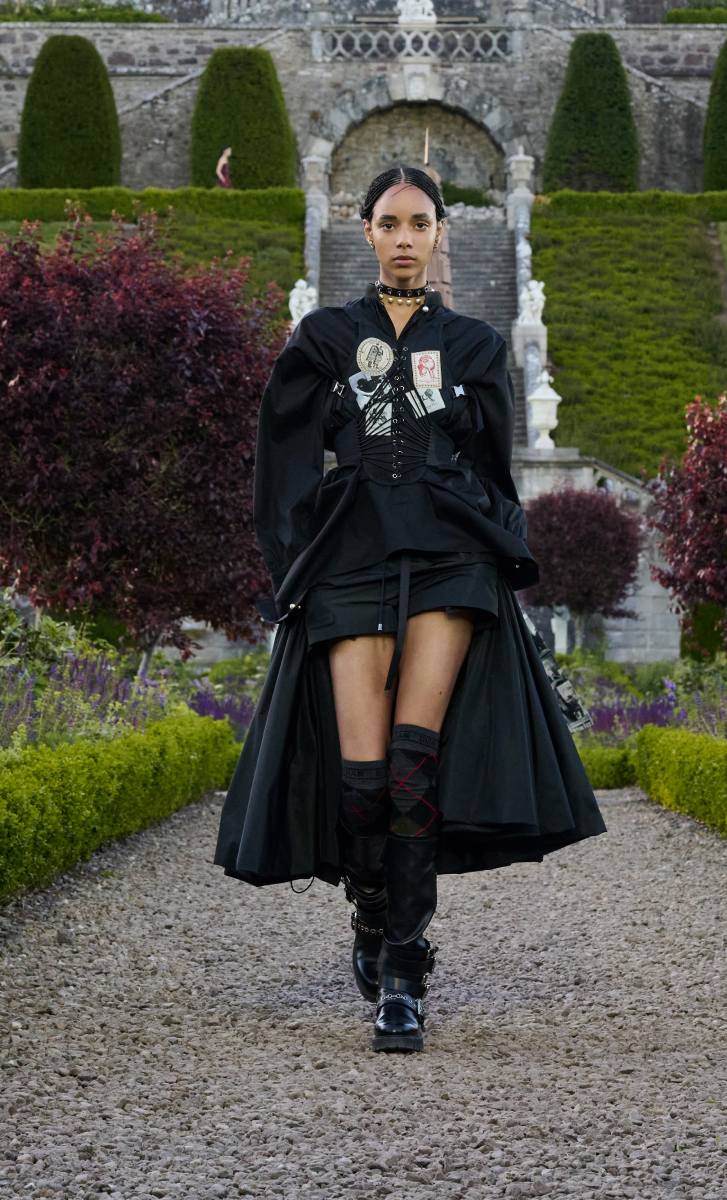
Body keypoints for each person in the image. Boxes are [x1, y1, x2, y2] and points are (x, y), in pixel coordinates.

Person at [213, 163, 607, 1054]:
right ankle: (370, 910)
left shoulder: (474, 344)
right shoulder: (324, 337)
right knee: (363, 787)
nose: (403, 238)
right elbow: (282, 456)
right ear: (366, 231)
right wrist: (292, 557)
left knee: (411, 767)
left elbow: (495, 467)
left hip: (446, 558)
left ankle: (403, 972)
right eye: (389, 222)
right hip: (352, 557)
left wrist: (494, 528)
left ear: (438, 234)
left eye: (419, 223)